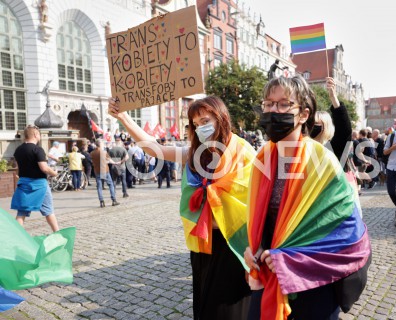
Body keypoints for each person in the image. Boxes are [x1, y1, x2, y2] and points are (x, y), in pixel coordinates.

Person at [109, 96, 255, 319]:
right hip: (203, 244)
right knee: (205, 308)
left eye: (205, 121)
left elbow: (257, 202)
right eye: (195, 125)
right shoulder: (194, 154)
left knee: (228, 311)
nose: (200, 128)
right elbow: (154, 149)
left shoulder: (245, 153)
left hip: (234, 245)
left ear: (221, 118)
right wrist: (124, 118)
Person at [244, 76, 371, 320]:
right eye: (268, 104)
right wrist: (253, 246)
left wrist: (291, 258)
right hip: (270, 274)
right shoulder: (263, 157)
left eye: (283, 104)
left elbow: (347, 234)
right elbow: (257, 215)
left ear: (303, 114)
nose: (273, 111)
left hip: (313, 283)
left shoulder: (322, 161)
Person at [11, 125, 59, 232]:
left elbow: (17, 169)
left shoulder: (18, 150)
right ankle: (58, 234)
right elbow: (44, 168)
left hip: (23, 184)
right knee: (48, 211)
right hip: (39, 185)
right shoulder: (37, 149)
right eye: (40, 135)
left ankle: (17, 237)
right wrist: (54, 173)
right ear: (35, 135)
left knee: (21, 213)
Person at [90, 139, 120, 207]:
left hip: (97, 171)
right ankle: (113, 200)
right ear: (100, 144)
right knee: (110, 185)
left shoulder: (92, 153)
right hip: (104, 170)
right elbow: (109, 160)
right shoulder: (103, 152)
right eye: (103, 143)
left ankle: (101, 201)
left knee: (99, 187)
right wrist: (115, 163)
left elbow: (92, 161)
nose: (103, 144)